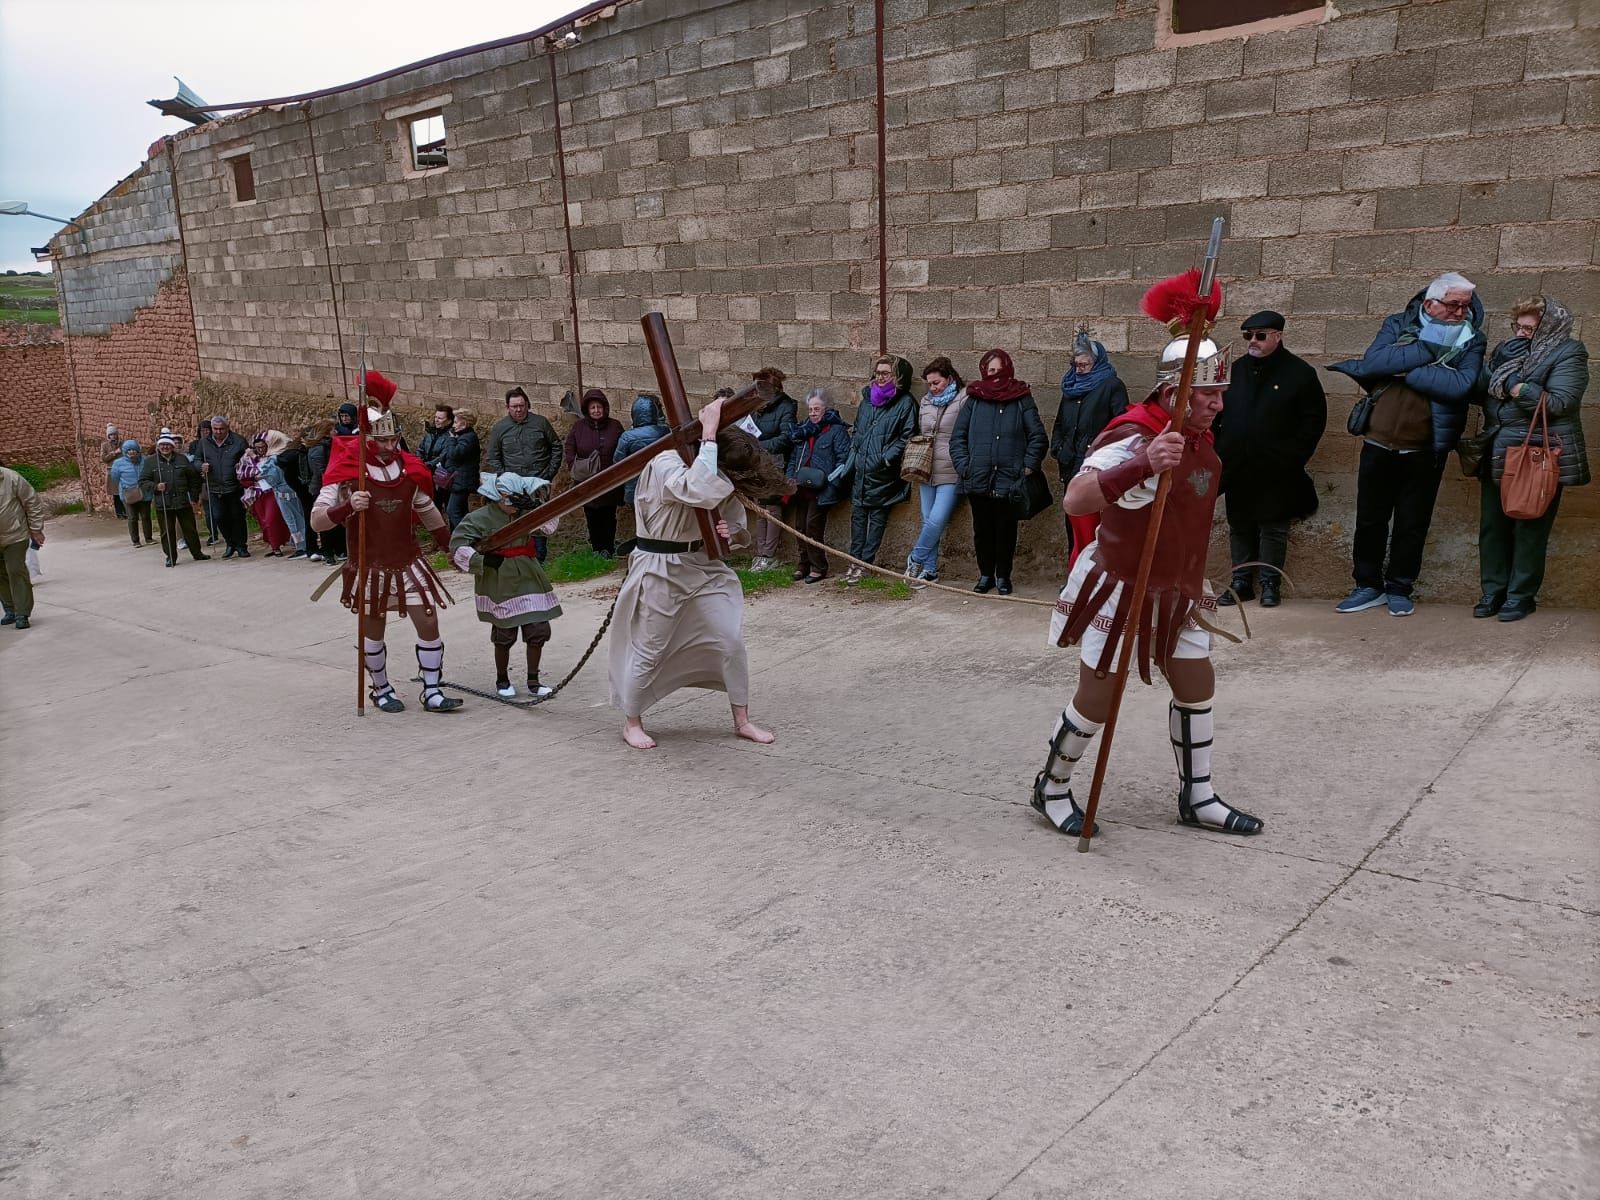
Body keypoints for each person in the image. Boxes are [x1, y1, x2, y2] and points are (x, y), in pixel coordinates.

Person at [1032, 272, 1263, 840]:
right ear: (1172, 392)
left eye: (1220, 393)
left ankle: (1199, 797)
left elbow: (1189, 516)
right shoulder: (1134, 436)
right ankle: (1052, 788)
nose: (1216, 403)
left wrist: (1197, 576)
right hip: (1121, 581)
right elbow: (1077, 497)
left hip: (1177, 587)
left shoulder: (1202, 443)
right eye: (1207, 393)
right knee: (1099, 696)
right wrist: (1143, 465)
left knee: (1196, 685)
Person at [609, 394, 785, 750]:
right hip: (660, 568)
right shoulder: (664, 463)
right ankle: (632, 722)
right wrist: (707, 432)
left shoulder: (710, 462)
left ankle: (742, 719)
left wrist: (728, 533)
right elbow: (697, 488)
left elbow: (732, 521)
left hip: (702, 567)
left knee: (730, 639)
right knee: (650, 646)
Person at [1329, 272, 1486, 617]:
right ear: (1430, 304)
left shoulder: (1473, 339)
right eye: (1453, 305)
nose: (1461, 313)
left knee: (1411, 524)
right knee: (1370, 520)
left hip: (1425, 447)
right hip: (1378, 441)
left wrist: (1406, 370)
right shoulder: (1397, 323)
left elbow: (1461, 384)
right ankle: (1367, 585)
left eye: (1466, 306)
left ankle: (1400, 587)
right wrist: (1430, 352)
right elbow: (1374, 363)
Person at [310, 370, 461, 713]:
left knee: (428, 619)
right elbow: (317, 520)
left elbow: (426, 510)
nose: (390, 446)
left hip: (408, 559)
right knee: (374, 627)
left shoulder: (408, 470)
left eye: (394, 440)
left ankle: (432, 689)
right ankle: (381, 689)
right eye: (383, 441)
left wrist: (449, 546)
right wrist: (348, 506)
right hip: (370, 563)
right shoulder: (348, 474)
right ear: (367, 440)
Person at [1474, 295, 1590, 622]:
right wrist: (1495, 365)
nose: (1521, 333)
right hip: (1498, 449)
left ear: (1549, 326)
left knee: (1530, 527)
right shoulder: (1508, 349)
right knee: (1492, 527)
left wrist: (1512, 383)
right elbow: (1476, 391)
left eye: (1529, 327)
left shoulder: (1570, 352)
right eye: (1518, 326)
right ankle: (1492, 592)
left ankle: (1520, 596)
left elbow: (1558, 402)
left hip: (1535, 454)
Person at [1214, 310, 1327, 608]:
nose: (1253, 341)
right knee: (1239, 524)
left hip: (1277, 467)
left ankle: (1269, 583)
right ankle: (1241, 582)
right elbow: (1216, 411)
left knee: (1273, 526)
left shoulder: (1299, 373)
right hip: (1237, 464)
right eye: (1248, 336)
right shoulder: (1234, 370)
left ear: (1278, 336)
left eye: (1260, 336)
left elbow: (1313, 421)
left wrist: (1292, 457)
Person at [449, 472, 563, 699]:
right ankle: (502, 680)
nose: (513, 505)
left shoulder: (524, 513)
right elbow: (458, 543)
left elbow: (548, 527)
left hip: (529, 573)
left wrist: (535, 507)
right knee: (504, 632)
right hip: (498, 576)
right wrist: (483, 560)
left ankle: (534, 681)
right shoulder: (479, 518)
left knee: (538, 628)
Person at [951, 349, 1048, 596]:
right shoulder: (974, 400)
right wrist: (965, 466)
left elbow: (1037, 436)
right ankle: (985, 575)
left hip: (1010, 479)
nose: (995, 375)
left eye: (999, 370)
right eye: (990, 370)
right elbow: (958, 438)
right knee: (982, 531)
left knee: (1006, 531)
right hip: (978, 477)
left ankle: (1004, 575)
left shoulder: (1022, 398)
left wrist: (1027, 466)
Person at [1052, 326, 1129, 564]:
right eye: (1076, 365)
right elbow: (1060, 422)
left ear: (1096, 362)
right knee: (1072, 520)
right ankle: (1075, 570)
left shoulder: (1111, 385)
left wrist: (1098, 451)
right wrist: (1059, 448)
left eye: (1084, 365)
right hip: (1071, 464)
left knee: (1098, 522)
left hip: (1097, 467)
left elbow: (1121, 425)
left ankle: (1099, 571)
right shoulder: (1070, 388)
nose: (1079, 369)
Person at [845, 355, 918, 582]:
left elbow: (907, 436)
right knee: (858, 517)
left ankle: (866, 563)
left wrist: (885, 458)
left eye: (886, 373)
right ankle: (854, 560)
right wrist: (857, 449)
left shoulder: (905, 403)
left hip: (883, 471)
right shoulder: (868, 400)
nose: (880, 377)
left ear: (897, 377)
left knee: (877, 518)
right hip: (862, 466)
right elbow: (858, 427)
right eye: (878, 372)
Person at [905, 357, 969, 584]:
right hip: (926, 467)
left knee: (937, 519)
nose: (932, 388)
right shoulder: (926, 402)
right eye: (929, 384)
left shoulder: (964, 398)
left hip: (951, 468)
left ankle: (915, 557)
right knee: (926, 519)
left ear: (949, 378)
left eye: (936, 383)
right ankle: (930, 570)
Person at [783, 388, 852, 583]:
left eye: (817, 409)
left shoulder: (836, 430)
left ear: (826, 409)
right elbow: (794, 459)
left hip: (822, 488)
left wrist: (831, 482)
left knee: (812, 526)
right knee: (799, 527)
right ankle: (803, 564)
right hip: (801, 485)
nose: (813, 413)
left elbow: (843, 459)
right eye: (810, 409)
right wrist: (789, 479)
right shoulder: (803, 430)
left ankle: (819, 566)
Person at [563, 388, 625, 556]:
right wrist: (573, 465)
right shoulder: (579, 427)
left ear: (604, 408)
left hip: (609, 482)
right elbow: (570, 447)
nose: (596, 411)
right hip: (587, 481)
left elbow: (623, 447)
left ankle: (608, 550)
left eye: (599, 407)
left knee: (608, 516)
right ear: (587, 410)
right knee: (592, 516)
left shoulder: (615, 426)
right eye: (593, 408)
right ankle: (597, 550)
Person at [748, 367, 798, 571]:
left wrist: (759, 446)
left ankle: (769, 555)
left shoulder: (786, 406)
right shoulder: (755, 407)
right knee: (760, 510)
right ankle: (760, 553)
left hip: (776, 463)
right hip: (756, 463)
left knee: (773, 510)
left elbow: (786, 438)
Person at [140, 433, 210, 567]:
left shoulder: (182, 459)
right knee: (167, 531)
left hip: (182, 500)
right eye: (162, 445)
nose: (165, 447)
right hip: (163, 504)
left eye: (167, 445)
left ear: (172, 446)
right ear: (158, 446)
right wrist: (155, 486)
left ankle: (197, 553)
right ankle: (170, 557)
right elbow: (143, 481)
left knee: (190, 529)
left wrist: (194, 496)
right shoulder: (150, 462)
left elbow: (193, 479)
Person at [0, 458, 45, 629]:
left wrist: (36, 528)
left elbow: (32, 501)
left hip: (15, 535)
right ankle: (10, 608)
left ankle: (22, 613)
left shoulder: (11, 477)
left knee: (15, 570)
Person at [197, 415, 250, 558]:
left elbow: (248, 459)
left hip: (234, 486)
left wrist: (242, 465)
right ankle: (230, 543)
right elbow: (196, 459)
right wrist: (201, 466)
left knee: (237, 517)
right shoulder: (204, 443)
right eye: (215, 429)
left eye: (221, 429)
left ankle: (241, 545)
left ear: (228, 428)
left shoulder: (238, 441)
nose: (218, 432)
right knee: (219, 517)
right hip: (214, 487)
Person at [486, 386, 561, 480]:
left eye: (521, 406)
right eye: (514, 406)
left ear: (526, 405)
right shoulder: (499, 428)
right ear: (508, 407)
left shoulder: (541, 422)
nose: (518, 410)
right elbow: (492, 457)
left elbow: (556, 446)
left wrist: (550, 472)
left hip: (540, 478)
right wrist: (504, 477)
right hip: (513, 482)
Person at [239, 436, 294, 556]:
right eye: (257, 448)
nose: (261, 450)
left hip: (271, 491)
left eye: (263, 447)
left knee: (271, 519)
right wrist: (253, 478)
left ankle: (276, 545)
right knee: (263, 521)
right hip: (257, 492)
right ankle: (273, 545)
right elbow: (242, 477)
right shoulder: (246, 460)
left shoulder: (272, 458)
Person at [613, 393, 670, 506]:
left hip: (636, 488)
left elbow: (618, 462)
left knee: (640, 521)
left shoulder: (627, 436)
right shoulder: (665, 432)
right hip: (660, 486)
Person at [260, 430, 309, 559]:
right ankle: (305, 543)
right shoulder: (290, 453)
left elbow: (272, 478)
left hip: (283, 493)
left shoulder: (273, 459)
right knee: (301, 518)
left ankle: (301, 547)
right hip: (295, 490)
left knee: (292, 521)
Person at [304, 419, 344, 563]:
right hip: (322, 487)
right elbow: (320, 470)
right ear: (327, 431)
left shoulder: (330, 445)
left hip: (332, 484)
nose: (336, 432)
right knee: (326, 521)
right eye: (333, 429)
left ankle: (338, 550)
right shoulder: (318, 449)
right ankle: (327, 553)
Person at [107, 439, 154, 547]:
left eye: (134, 450)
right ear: (125, 452)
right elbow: (115, 477)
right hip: (128, 494)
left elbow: (150, 474)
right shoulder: (118, 463)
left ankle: (149, 538)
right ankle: (135, 540)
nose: (132, 453)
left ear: (138, 450)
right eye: (129, 450)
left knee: (146, 516)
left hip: (144, 493)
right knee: (132, 517)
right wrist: (125, 486)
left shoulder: (145, 461)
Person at [444, 410, 481, 530]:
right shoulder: (463, 436)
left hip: (462, 481)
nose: (453, 426)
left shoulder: (468, 438)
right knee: (462, 510)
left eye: (455, 422)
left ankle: (466, 535)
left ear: (464, 424)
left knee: (452, 511)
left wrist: (451, 440)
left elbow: (454, 454)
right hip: (459, 479)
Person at [418, 404, 456, 510]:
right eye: (435, 417)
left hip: (441, 474)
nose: (436, 420)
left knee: (442, 501)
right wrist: (419, 461)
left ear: (448, 421)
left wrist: (427, 465)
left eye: (440, 418)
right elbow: (421, 448)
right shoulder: (430, 433)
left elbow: (443, 456)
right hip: (426, 471)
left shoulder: (450, 436)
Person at [187, 420, 218, 543]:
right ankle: (213, 533)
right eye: (202, 431)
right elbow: (195, 461)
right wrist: (200, 468)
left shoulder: (216, 443)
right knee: (207, 510)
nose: (205, 433)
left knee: (218, 510)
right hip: (202, 481)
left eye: (207, 430)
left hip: (216, 479)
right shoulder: (195, 444)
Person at [99, 424, 127, 520]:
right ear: (108, 436)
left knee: (123, 491)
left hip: (122, 470)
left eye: (115, 434)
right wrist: (114, 453)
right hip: (112, 471)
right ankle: (119, 513)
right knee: (116, 493)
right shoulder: (105, 445)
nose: (113, 436)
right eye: (111, 435)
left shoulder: (122, 443)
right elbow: (104, 458)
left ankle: (126, 511)